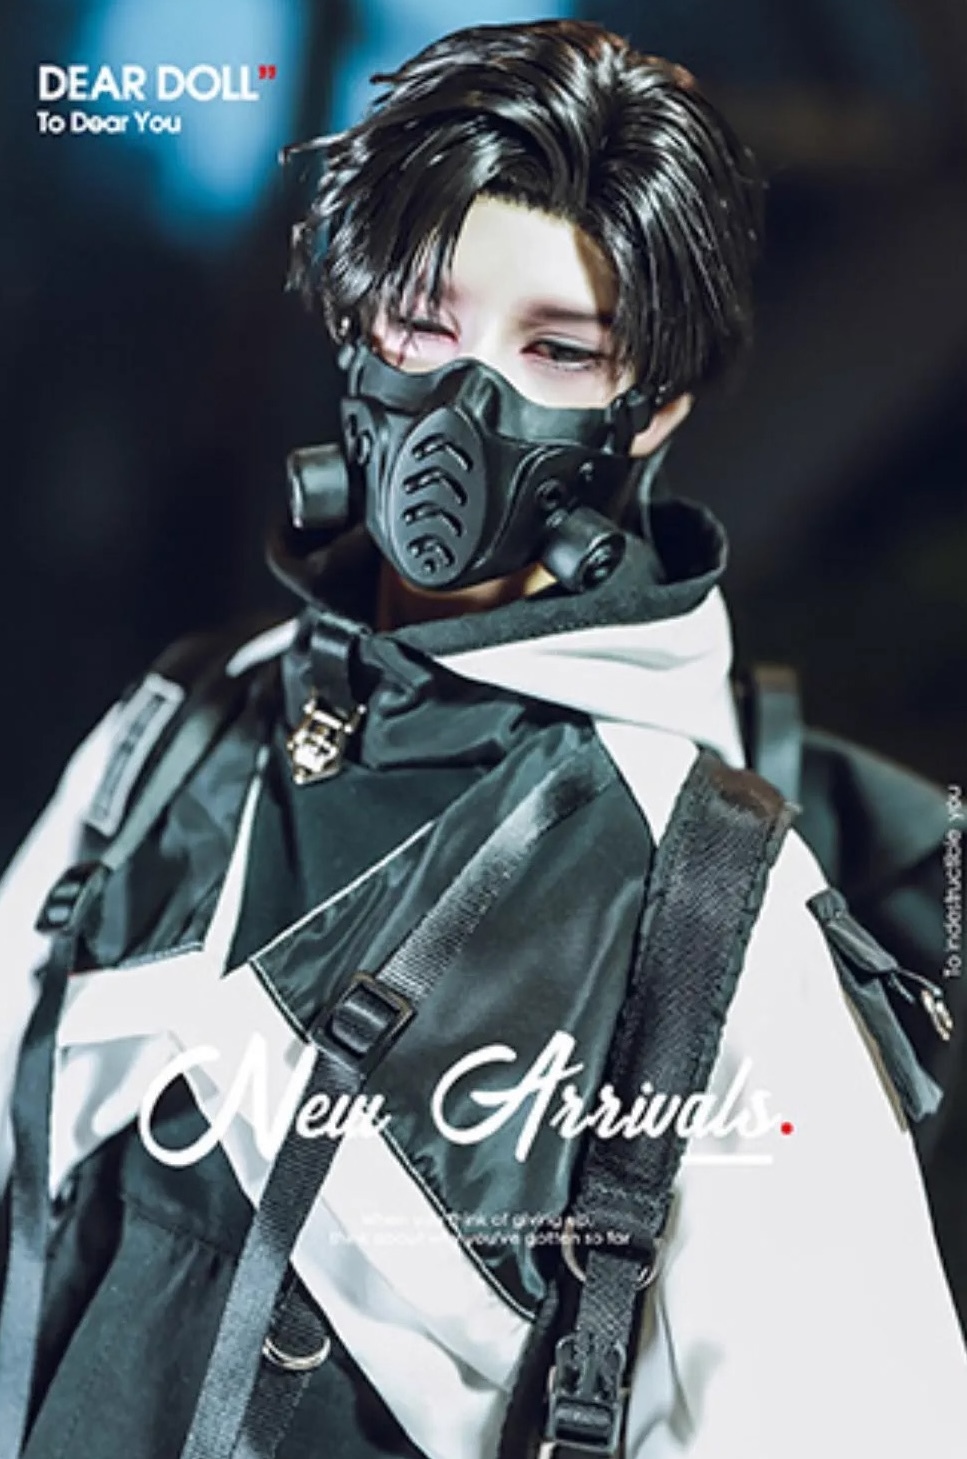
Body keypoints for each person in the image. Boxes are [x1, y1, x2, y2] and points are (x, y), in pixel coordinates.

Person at [0, 18, 964, 1459]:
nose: (466, 402)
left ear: (651, 411)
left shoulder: (706, 899)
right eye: (423, 319)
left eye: (557, 350)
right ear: (355, 324)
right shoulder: (174, 739)